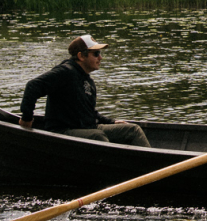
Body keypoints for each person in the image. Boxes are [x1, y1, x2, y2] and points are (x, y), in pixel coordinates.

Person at [20, 34, 150, 146]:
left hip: (86, 127)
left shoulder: (87, 80)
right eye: (96, 54)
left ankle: (151, 163)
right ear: (81, 56)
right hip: (62, 132)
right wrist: (27, 119)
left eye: (100, 53)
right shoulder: (65, 72)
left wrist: (111, 122)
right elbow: (33, 86)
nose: (100, 58)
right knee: (97, 136)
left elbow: (89, 113)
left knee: (133, 130)